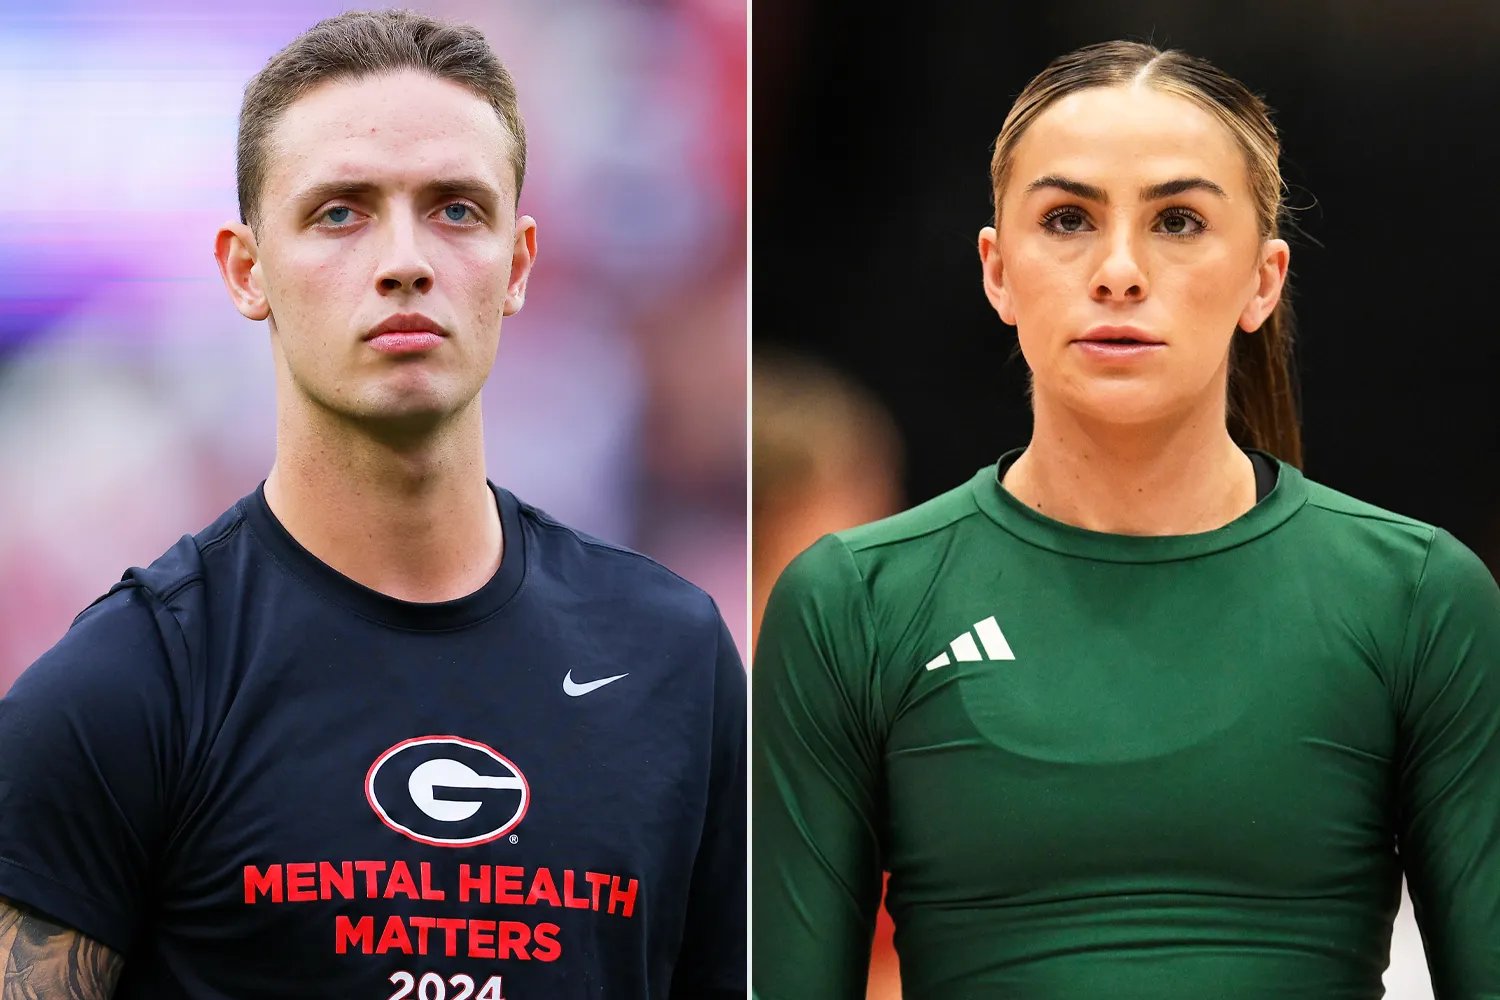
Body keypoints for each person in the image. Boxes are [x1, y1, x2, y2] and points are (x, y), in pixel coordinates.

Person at [0, 10, 745, 999]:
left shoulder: (672, 658)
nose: (405, 260)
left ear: (519, 264)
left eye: (456, 209)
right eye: (341, 213)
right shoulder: (123, 687)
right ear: (246, 270)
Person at [752, 39, 1500, 1000]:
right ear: (996, 270)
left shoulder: (1419, 598)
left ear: (1264, 279)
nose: (1118, 271)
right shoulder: (850, 603)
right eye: (1067, 219)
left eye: (1178, 220)